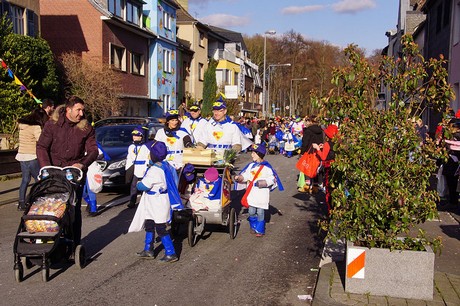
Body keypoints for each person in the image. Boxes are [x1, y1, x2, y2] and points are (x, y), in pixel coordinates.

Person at [36, 95, 98, 246]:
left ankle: (74, 244)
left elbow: (93, 151)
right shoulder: (53, 124)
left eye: (83, 110)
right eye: (78, 110)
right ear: (69, 109)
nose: (81, 114)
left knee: (73, 211)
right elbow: (42, 147)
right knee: (49, 206)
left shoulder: (85, 127)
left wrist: (82, 164)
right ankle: (45, 240)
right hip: (53, 172)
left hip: (74, 174)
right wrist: (46, 167)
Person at [128, 141, 180, 262]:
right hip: (156, 201)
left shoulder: (154, 171)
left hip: (157, 202)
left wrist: (139, 183)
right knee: (149, 223)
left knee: (160, 228)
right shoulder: (166, 166)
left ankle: (171, 253)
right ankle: (148, 249)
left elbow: (143, 186)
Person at [234, 143, 284, 236]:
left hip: (262, 194)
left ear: (259, 154)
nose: (251, 155)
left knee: (260, 212)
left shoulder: (267, 167)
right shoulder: (251, 166)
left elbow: (272, 179)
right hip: (252, 193)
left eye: (254, 153)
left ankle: (260, 229)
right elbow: (246, 176)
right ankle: (253, 226)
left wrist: (262, 183)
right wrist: (240, 178)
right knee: (251, 211)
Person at [15, 108, 49, 210]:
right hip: (32, 156)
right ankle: (35, 199)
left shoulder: (22, 126)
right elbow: (41, 141)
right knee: (39, 179)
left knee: (25, 180)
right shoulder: (36, 127)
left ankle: (21, 202)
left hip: (22, 155)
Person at [313, 124, 338, 213]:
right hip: (337, 167)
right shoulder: (339, 143)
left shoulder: (327, 144)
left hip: (329, 168)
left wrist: (318, 149)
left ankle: (330, 210)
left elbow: (323, 157)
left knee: (329, 189)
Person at [125, 126, 150, 208]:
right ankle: (132, 201)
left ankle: (144, 201)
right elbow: (129, 158)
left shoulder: (145, 146)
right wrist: (128, 168)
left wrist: (147, 167)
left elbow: (148, 157)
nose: (135, 137)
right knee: (133, 185)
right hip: (135, 168)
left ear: (141, 137)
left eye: (137, 136)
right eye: (134, 135)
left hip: (143, 167)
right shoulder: (131, 147)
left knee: (144, 184)